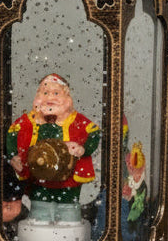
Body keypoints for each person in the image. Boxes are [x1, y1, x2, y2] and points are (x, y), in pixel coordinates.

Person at [6, 74, 100, 225]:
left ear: (66, 97)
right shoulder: (30, 120)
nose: (50, 97)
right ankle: (40, 218)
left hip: (68, 178)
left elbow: (94, 133)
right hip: (38, 175)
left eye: (56, 93)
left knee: (68, 205)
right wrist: (13, 156)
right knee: (40, 204)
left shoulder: (76, 120)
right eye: (45, 93)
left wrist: (83, 149)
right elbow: (12, 133)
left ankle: (68, 220)